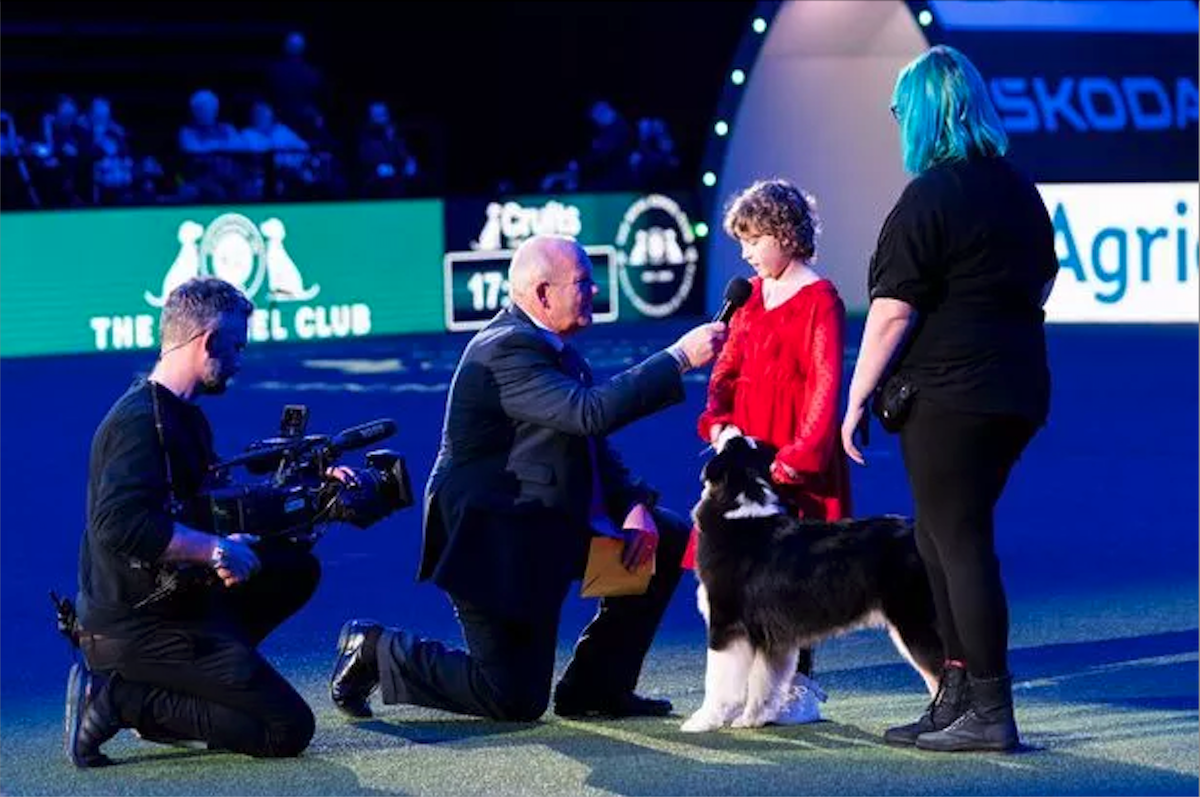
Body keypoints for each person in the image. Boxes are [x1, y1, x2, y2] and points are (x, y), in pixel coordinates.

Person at [329, 234, 727, 722]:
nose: (595, 291)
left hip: (541, 527)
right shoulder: (506, 350)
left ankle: (596, 688)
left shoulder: (548, 346)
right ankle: (374, 648)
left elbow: (588, 444)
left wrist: (632, 503)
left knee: (663, 535)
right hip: (493, 544)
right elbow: (589, 413)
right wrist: (680, 357)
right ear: (542, 293)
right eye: (583, 282)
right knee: (512, 698)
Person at [840, 45, 1057, 753]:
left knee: (957, 540)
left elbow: (892, 309)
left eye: (903, 110)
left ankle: (988, 707)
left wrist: (855, 397)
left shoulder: (929, 196)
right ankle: (957, 695)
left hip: (953, 395)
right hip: (1017, 386)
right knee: (939, 536)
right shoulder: (1017, 189)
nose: (897, 122)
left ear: (925, 114)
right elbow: (1044, 280)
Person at [64, 277, 324, 767]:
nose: (241, 360)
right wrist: (214, 550)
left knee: (293, 567)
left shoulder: (185, 416)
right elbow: (118, 524)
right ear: (206, 341)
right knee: (286, 729)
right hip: (133, 624)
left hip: (175, 599)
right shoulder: (139, 422)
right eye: (237, 346)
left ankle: (190, 684)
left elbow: (199, 507)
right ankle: (118, 697)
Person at [685, 178, 852, 724]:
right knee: (740, 569)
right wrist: (719, 424)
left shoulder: (819, 297)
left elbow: (826, 385)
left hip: (794, 452)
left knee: (795, 571)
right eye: (742, 241)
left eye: (753, 238)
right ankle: (745, 687)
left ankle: (797, 684)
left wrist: (797, 458)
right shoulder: (751, 299)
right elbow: (725, 371)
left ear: (785, 233)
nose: (746, 252)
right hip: (745, 448)